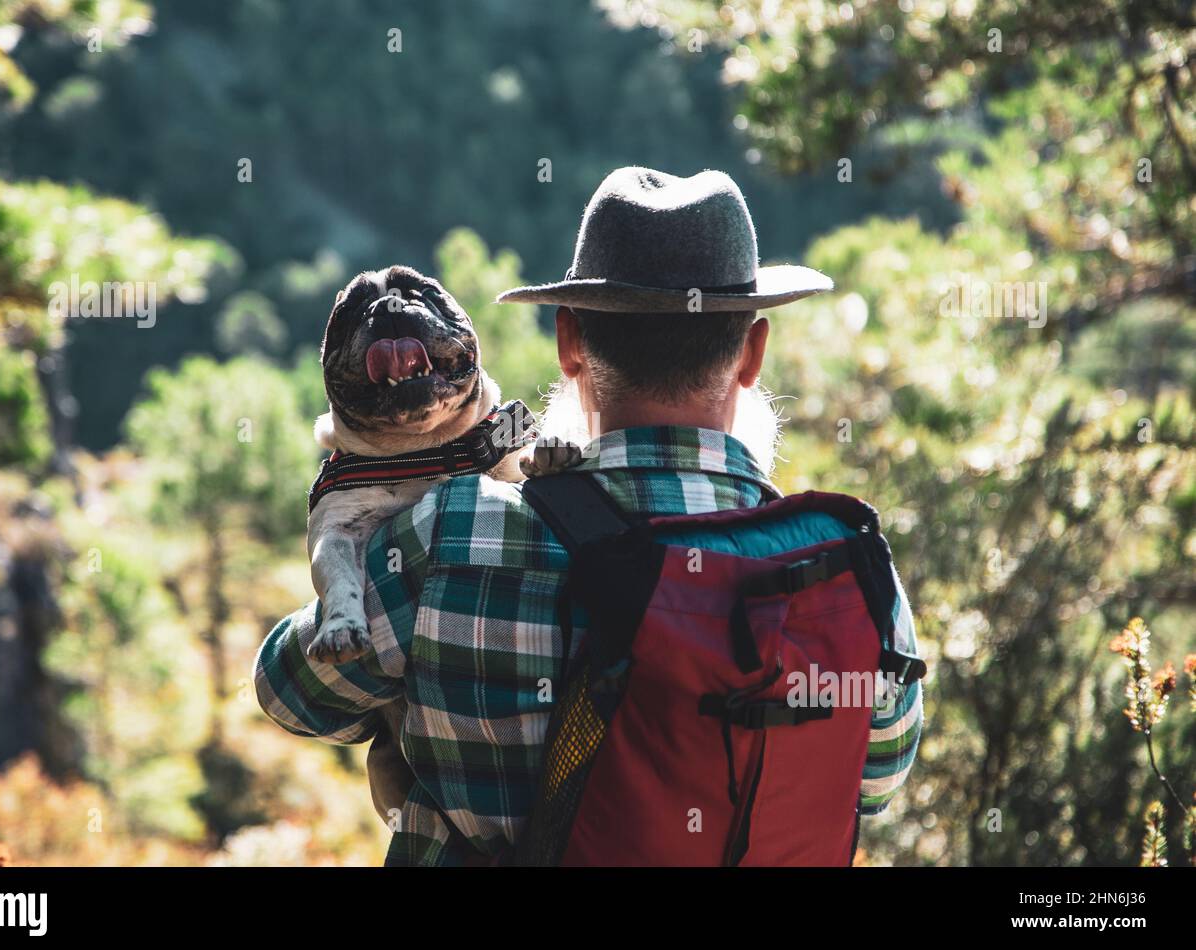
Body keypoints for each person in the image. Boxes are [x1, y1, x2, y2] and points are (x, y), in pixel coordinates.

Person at [253, 166, 923, 865]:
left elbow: (291, 694)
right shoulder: (843, 573)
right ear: (753, 354)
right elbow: (874, 783)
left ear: (568, 342)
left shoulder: (449, 533)